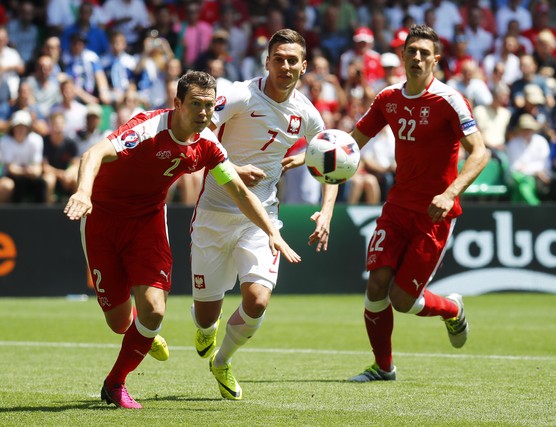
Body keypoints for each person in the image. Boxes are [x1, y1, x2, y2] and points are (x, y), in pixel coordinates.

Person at [63, 70, 300, 409]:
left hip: (146, 223)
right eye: (195, 105)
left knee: (155, 310)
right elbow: (94, 154)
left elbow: (238, 191)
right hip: (101, 219)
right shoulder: (148, 128)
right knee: (119, 322)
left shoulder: (207, 144)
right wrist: (84, 192)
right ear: (177, 104)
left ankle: (115, 383)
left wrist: (272, 232)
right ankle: (141, 333)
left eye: (208, 105)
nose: (204, 113)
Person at [190, 29, 338, 401]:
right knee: (206, 316)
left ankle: (222, 361)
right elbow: (198, 125)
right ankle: (208, 329)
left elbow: (333, 159)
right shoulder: (240, 93)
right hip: (214, 212)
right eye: (279, 59)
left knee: (256, 299)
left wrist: (326, 212)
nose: (285, 66)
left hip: (261, 218)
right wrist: (234, 167)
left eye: (292, 60)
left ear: (304, 66)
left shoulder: (306, 113)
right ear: (267, 62)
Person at [347, 24, 488, 382]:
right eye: (412, 51)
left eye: (425, 53)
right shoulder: (387, 98)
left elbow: (480, 153)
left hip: (434, 214)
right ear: (404, 56)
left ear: (435, 60)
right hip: (396, 207)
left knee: (403, 299)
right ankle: (383, 367)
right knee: (376, 285)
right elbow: (351, 144)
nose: (418, 58)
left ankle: (451, 307)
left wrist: (450, 193)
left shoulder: (449, 100)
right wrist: (313, 158)